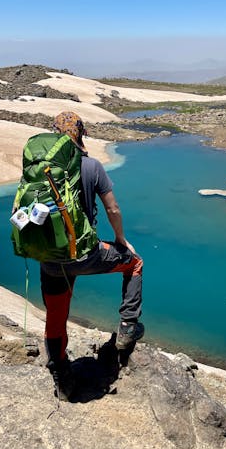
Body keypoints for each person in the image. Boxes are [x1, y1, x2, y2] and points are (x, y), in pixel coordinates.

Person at [40, 111, 144, 401]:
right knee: (135, 264)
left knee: (56, 317)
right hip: (86, 255)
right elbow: (112, 209)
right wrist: (121, 240)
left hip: (50, 260)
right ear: (80, 135)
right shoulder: (91, 166)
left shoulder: (41, 169)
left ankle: (62, 377)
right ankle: (127, 328)